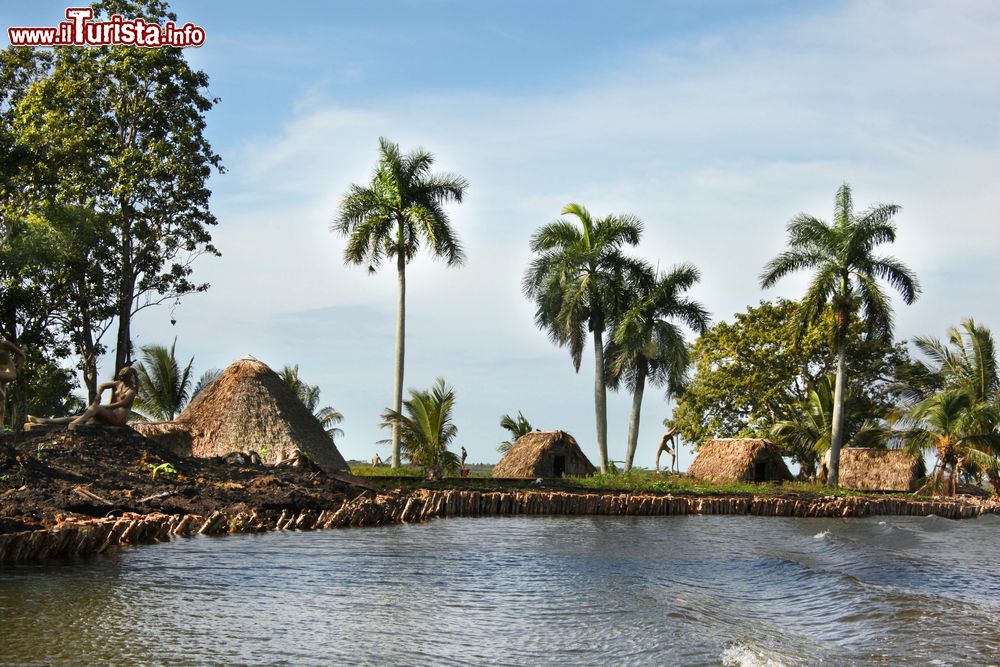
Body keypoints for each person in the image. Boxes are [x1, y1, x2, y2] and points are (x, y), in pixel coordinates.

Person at [28, 366, 138, 427]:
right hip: (108, 415)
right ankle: (45, 421)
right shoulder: (118, 383)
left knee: (94, 410)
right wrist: (98, 395)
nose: (121, 379)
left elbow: (122, 403)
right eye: (120, 377)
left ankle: (78, 422)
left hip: (118, 419)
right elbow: (102, 386)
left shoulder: (131, 391)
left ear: (129, 378)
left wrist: (103, 407)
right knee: (79, 417)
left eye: (123, 377)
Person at [0, 338, 25, 430]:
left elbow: (22, 355)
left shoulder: (5, 344)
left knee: (1, 397)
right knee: (1, 404)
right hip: (1, 374)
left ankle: (1, 396)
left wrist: (18, 369)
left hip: (10, 372)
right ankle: (0, 426)